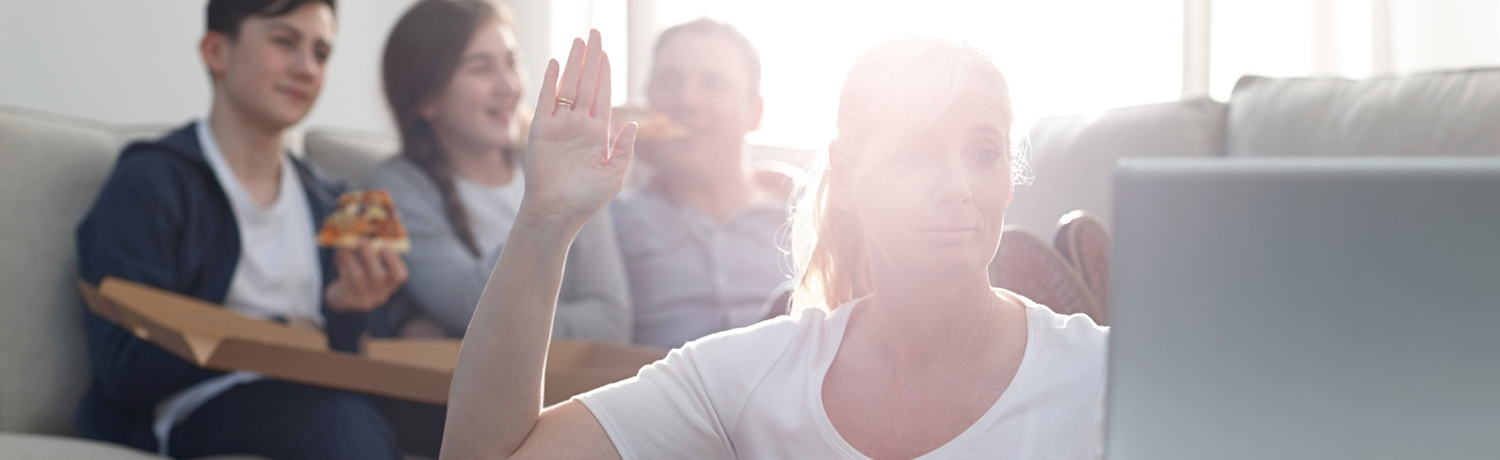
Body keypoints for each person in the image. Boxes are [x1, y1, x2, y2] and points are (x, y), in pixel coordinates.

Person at [439, 31, 1109, 460]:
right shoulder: (753, 377)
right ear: (846, 178)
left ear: (1009, 179)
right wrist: (545, 221)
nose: (958, 187)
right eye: (915, 152)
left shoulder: (1108, 372)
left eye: (985, 153)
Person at [75, 1, 407, 459]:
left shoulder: (335, 201)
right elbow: (123, 362)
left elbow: (358, 357)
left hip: (320, 398)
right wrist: (278, 333)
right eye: (284, 41)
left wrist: (345, 309)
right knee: (342, 424)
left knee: (457, 413)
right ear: (217, 52)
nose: (307, 68)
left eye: (321, 52)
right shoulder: (150, 182)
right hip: (195, 409)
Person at [366, 0, 630, 342]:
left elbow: (612, 323)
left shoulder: (565, 160)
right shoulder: (395, 188)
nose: (509, 86)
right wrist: (548, 207)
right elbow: (470, 303)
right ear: (426, 99)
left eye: (512, 62)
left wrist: (459, 332)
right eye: (481, 68)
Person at [612, 18, 793, 350]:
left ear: (755, 112)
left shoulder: (804, 217)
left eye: (713, 84)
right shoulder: (613, 220)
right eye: (670, 81)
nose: (688, 100)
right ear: (648, 103)